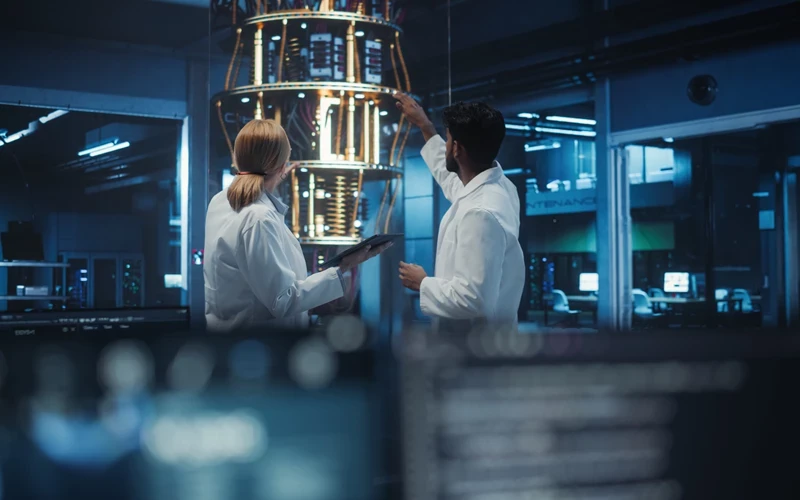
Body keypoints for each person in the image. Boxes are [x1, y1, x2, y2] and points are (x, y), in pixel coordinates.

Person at [204, 119, 391, 332]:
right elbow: (283, 301)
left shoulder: (221, 202)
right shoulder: (259, 219)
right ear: (282, 166)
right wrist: (344, 266)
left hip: (228, 339)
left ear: (237, 158)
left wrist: (274, 177)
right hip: (261, 347)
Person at [393, 93, 524, 330]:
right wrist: (425, 127)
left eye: (448, 140)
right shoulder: (499, 188)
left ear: (456, 148)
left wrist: (423, 283)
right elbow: (451, 180)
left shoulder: (480, 213)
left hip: (476, 351)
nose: (445, 147)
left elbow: (474, 299)